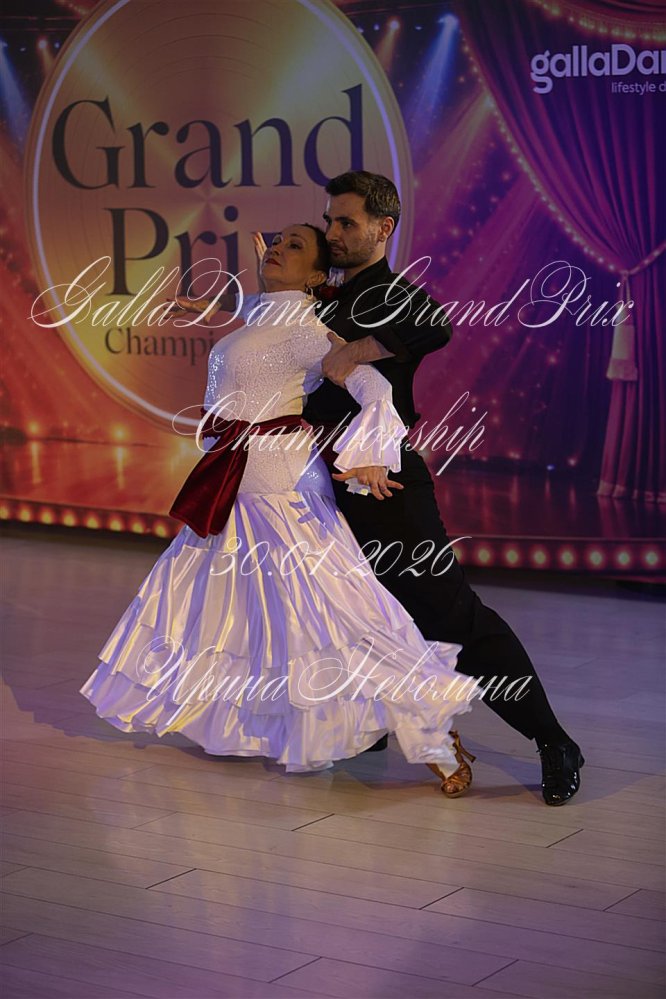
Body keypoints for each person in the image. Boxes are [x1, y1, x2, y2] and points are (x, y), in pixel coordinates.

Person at [79, 223, 476, 795]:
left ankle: (433, 728)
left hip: (281, 487)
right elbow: (256, 319)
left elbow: (373, 387)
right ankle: (259, 724)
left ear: (316, 275)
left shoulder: (309, 332)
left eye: (295, 247)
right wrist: (215, 305)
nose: (278, 251)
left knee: (336, 615)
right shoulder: (263, 315)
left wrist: (371, 452)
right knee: (239, 614)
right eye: (277, 243)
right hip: (234, 482)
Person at [301, 171, 584, 807]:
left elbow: (436, 324)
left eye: (346, 222)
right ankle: (373, 727)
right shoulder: (325, 296)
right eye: (329, 221)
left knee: (451, 615)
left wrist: (359, 350)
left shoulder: (390, 294)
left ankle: (553, 740)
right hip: (324, 487)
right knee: (357, 612)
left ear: (383, 228)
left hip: (385, 486)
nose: (333, 233)